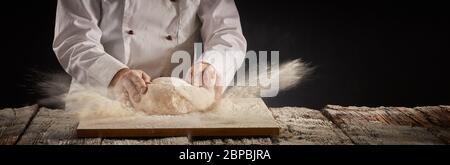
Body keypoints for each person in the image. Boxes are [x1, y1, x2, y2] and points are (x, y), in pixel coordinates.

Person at [53, 0, 246, 104]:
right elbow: (73, 39)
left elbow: (227, 32)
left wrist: (212, 64)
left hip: (178, 100)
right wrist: (114, 75)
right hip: (100, 99)